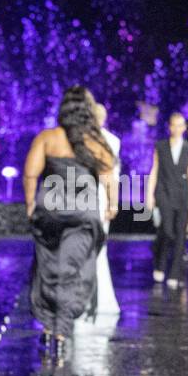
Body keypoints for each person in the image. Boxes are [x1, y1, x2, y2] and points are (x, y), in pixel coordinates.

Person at [22, 86, 117, 363]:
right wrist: (112, 206)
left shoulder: (47, 138)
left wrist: (30, 204)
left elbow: (30, 174)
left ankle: (49, 325)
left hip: (50, 211)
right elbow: (109, 179)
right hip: (82, 213)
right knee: (72, 270)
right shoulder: (96, 142)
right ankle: (61, 331)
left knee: (48, 267)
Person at [77, 101, 120, 324]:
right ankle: (90, 297)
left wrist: (112, 202)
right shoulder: (87, 139)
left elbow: (110, 175)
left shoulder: (108, 141)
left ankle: (91, 297)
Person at [145, 112, 188, 289]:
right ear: (169, 127)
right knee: (167, 230)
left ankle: (175, 272)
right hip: (164, 193)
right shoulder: (160, 146)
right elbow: (154, 170)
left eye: (180, 125)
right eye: (173, 125)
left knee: (181, 234)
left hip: (183, 194)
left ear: (184, 128)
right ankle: (160, 262)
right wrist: (149, 195)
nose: (176, 129)